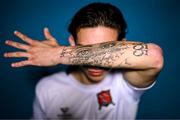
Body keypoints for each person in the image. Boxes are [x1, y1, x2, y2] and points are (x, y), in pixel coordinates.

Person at [4, 2, 164, 120]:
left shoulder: (125, 82)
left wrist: (59, 54)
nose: (94, 62)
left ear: (122, 46)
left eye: (104, 49)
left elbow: (155, 57)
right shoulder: (47, 88)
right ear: (72, 43)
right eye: (83, 49)